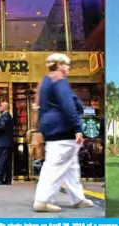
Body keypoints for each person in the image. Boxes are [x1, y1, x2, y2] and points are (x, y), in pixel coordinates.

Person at [33, 53, 93, 212]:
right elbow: (68, 105)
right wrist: (78, 127)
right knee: (55, 165)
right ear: (59, 64)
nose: (68, 68)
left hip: (50, 128)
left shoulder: (45, 81)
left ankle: (78, 198)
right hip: (62, 129)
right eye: (66, 64)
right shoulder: (59, 80)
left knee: (71, 165)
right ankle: (43, 200)